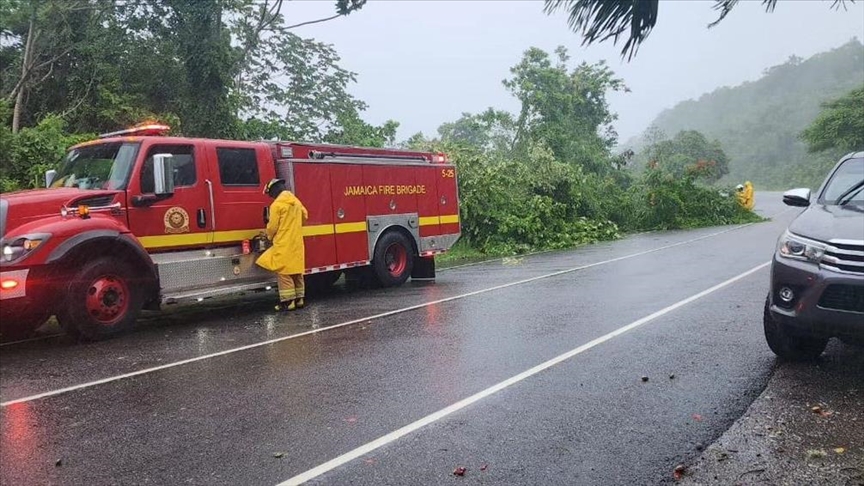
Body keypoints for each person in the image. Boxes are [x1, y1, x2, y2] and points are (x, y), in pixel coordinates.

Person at [256, 178, 308, 311]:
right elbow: (305, 216)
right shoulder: (296, 201)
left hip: (283, 242)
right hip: (296, 242)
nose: (271, 196)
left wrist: (268, 236)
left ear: (274, 190)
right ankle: (300, 299)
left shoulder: (277, 205)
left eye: (270, 194)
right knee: (296, 271)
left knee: (283, 272)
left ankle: (288, 301)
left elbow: (273, 226)